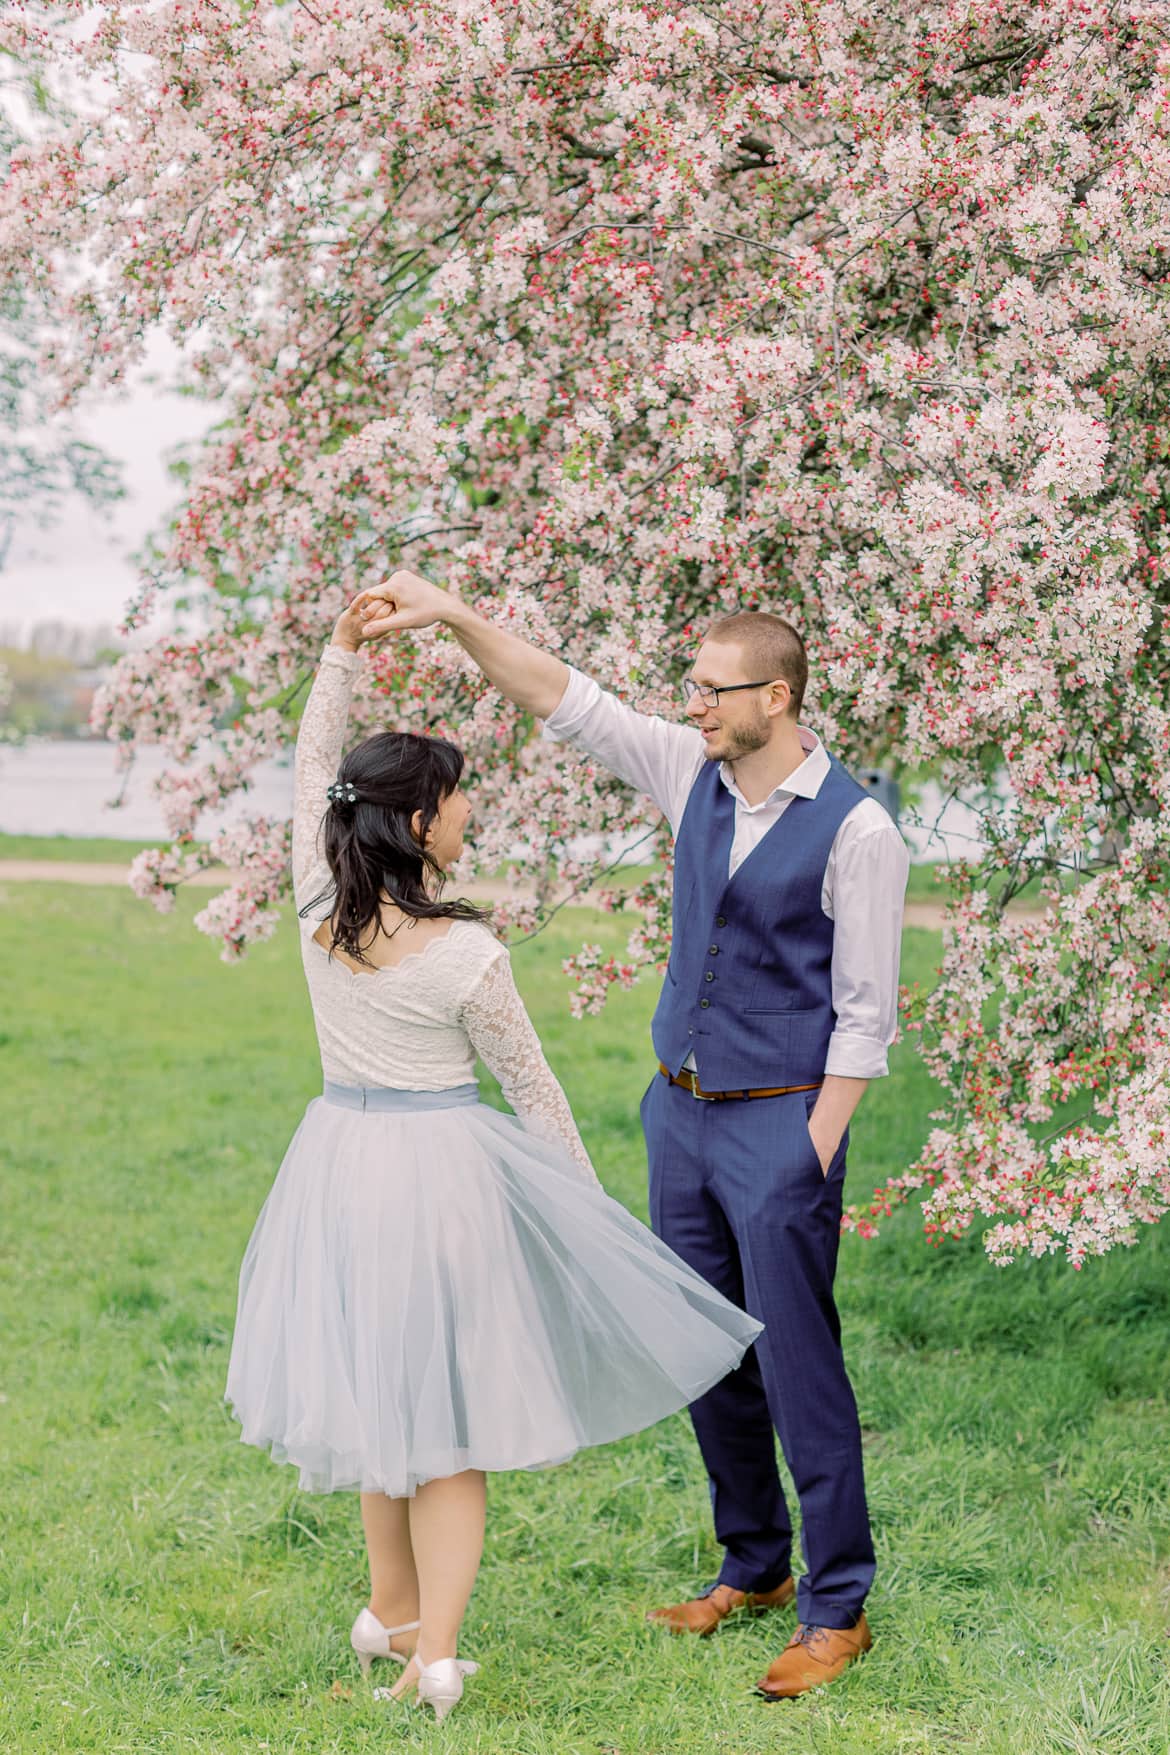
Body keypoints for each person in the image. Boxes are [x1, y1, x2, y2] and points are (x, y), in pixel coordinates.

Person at [360, 573, 909, 1701]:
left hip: (779, 1128)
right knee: (699, 1352)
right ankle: (751, 1567)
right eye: (692, 689)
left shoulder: (858, 829)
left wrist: (812, 1145)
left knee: (798, 1363)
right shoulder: (687, 772)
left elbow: (867, 1016)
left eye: (716, 691)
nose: (695, 707)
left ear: (781, 695)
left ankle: (836, 1604)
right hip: (681, 1114)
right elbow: (566, 697)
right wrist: (459, 617)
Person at [224, 591, 763, 1723]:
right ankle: (438, 1661)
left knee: (383, 1405)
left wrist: (337, 653)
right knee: (450, 1427)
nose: (469, 808)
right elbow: (534, 1093)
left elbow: (310, 771)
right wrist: (586, 1214)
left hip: (340, 1167)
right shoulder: (466, 953)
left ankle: (396, 1619)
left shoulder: (320, 905)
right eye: (457, 793)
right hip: (442, 1185)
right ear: (420, 822)